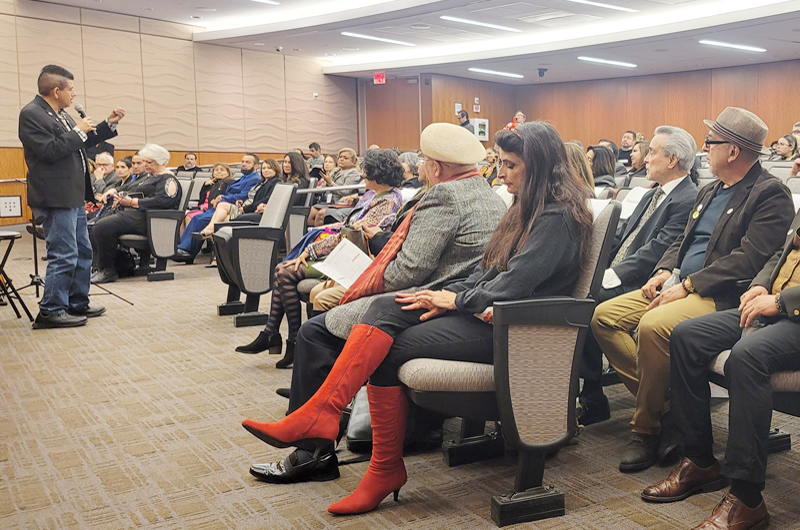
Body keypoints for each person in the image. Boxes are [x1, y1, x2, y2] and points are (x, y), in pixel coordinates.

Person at [240, 122, 593, 515]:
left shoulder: (558, 216)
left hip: (521, 329)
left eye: (511, 165)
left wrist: (456, 300)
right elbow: (489, 270)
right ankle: (329, 417)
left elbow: (514, 283)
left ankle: (373, 459)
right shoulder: (525, 206)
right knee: (390, 308)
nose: (502, 172)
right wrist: (454, 295)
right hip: (492, 315)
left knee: (389, 344)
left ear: (540, 166)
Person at [240, 123, 503, 487]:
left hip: (425, 300)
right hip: (446, 296)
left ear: (438, 167)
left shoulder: (444, 196)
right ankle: (325, 417)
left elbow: (407, 271)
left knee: (317, 332)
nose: (423, 167)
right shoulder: (484, 192)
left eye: (425, 160)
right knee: (328, 317)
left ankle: (311, 453)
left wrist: (365, 277)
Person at [591, 107, 795, 472]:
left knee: (655, 327)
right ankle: (670, 405)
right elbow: (681, 241)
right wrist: (664, 270)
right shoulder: (710, 190)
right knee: (604, 317)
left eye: (710, 142)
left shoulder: (769, 194)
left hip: (719, 294)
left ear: (733, 151)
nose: (703, 149)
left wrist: (687, 284)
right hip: (678, 284)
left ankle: (646, 429)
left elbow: (749, 259)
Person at [640, 209, 800, 530]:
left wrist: (783, 301)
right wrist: (760, 285)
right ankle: (699, 460)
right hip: (771, 304)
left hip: (792, 312)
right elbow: (779, 255)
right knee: (686, 336)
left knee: (746, 356)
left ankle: (747, 497)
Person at [236, 149, 404, 367]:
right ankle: (278, 336)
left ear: (377, 174)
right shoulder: (375, 195)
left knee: (284, 271)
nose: (363, 175)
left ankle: (288, 340)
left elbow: (352, 235)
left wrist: (311, 250)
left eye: (367, 171)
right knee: (284, 269)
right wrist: (319, 234)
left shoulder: (387, 203)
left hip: (353, 261)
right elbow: (347, 227)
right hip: (345, 253)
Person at [578, 126, 699, 426]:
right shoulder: (650, 194)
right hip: (621, 272)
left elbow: (657, 252)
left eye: (653, 152)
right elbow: (620, 238)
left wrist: (609, 275)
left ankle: (598, 396)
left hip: (645, 280)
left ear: (672, 160)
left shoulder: (688, 198)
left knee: (589, 303)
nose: (646, 158)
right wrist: (592, 269)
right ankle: (590, 395)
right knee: (578, 293)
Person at [19, 64, 124, 329]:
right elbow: (51, 151)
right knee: (64, 253)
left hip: (74, 195)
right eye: (71, 88)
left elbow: (82, 141)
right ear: (56, 91)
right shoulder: (32, 114)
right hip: (55, 197)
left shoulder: (61, 114)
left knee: (83, 251)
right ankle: (51, 310)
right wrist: (78, 130)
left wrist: (107, 124)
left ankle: (78, 301)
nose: (74, 94)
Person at [90, 144, 182, 284]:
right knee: (93, 225)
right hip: (136, 215)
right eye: (144, 161)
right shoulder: (149, 177)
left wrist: (133, 202)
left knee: (102, 227)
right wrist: (114, 190)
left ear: (162, 162)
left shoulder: (168, 180)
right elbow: (129, 187)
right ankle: (99, 267)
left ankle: (108, 270)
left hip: (150, 219)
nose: (145, 165)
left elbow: (163, 201)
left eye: (149, 162)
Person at [173, 154, 261, 263]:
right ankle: (186, 251)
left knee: (201, 220)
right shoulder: (244, 177)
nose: (243, 164)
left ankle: (187, 251)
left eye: (247, 162)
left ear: (256, 166)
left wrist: (223, 197)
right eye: (243, 162)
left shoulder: (254, 178)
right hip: (222, 206)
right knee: (196, 218)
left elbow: (243, 195)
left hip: (231, 208)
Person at [208, 159, 284, 227]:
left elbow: (264, 200)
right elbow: (252, 197)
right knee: (221, 208)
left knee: (222, 217)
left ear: (275, 169)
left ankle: (209, 232)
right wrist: (242, 202)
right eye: (264, 168)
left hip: (253, 210)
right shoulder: (261, 182)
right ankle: (209, 232)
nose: (266, 170)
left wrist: (244, 209)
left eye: (269, 168)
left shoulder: (275, 182)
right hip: (246, 206)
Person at [308, 148, 362, 226]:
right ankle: (312, 234)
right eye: (340, 157)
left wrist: (331, 183)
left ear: (353, 161)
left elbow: (346, 191)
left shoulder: (353, 173)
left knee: (320, 214)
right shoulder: (335, 170)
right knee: (311, 212)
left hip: (343, 203)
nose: (341, 159)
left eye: (345, 158)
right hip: (330, 202)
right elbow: (325, 186)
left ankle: (322, 235)